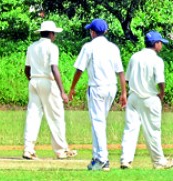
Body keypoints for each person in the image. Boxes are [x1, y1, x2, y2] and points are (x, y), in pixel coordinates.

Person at [68, 18, 127, 171]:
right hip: (111, 88)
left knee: (98, 123)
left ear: (92, 32)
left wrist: (72, 88)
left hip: (97, 87)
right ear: (105, 31)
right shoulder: (113, 48)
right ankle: (96, 157)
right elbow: (120, 71)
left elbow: (79, 69)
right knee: (99, 122)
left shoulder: (89, 47)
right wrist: (124, 92)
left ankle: (103, 159)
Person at [120, 31, 173, 170]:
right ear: (156, 44)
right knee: (153, 131)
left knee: (130, 129)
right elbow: (160, 81)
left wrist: (124, 94)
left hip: (133, 98)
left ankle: (126, 160)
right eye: (160, 42)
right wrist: (162, 93)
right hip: (150, 98)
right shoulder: (157, 60)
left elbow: (126, 79)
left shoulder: (135, 57)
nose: (161, 45)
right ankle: (158, 162)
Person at [23, 20, 77, 160]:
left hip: (34, 80)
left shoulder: (32, 47)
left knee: (33, 115)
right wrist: (62, 91)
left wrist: (33, 80)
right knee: (56, 115)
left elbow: (26, 69)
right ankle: (61, 150)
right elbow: (54, 68)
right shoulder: (52, 47)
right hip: (48, 81)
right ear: (51, 34)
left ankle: (28, 149)